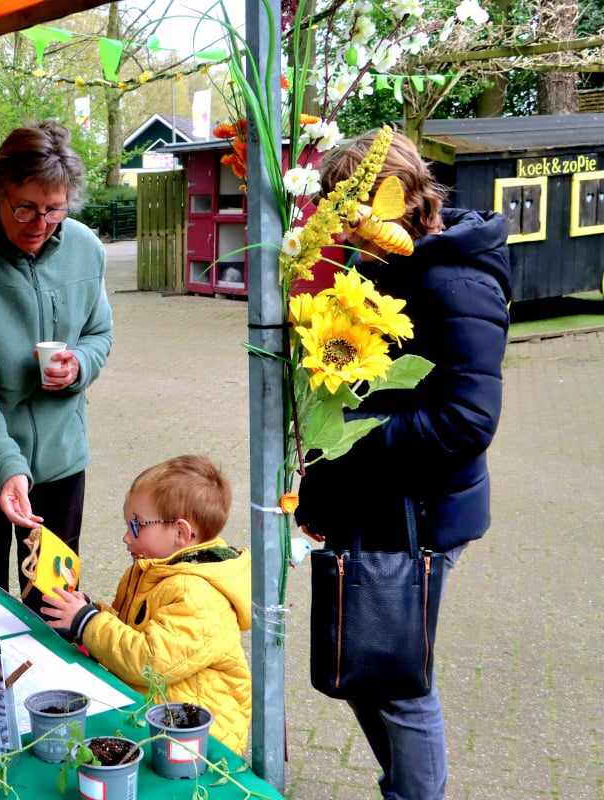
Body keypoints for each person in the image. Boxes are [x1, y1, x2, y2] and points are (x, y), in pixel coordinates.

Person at [294, 130, 511, 800]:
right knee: (368, 665)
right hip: (381, 505)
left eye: (347, 206)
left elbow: (467, 420)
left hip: (421, 513)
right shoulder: (390, 262)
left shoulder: (453, 279)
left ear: (393, 197)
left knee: (396, 678)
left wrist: (350, 438)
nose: (339, 224)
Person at [0, 120, 113, 614]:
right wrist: (7, 466)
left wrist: (79, 366)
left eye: (54, 209)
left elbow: (99, 333)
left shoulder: (86, 248)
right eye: (25, 208)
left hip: (58, 465)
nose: (40, 223)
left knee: (53, 606)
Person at [42, 454, 252, 754]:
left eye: (136, 525)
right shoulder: (153, 569)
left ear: (181, 533)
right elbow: (131, 630)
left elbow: (150, 662)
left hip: (193, 741)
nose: (126, 537)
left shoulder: (198, 594)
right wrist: (91, 612)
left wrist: (88, 623)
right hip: (156, 712)